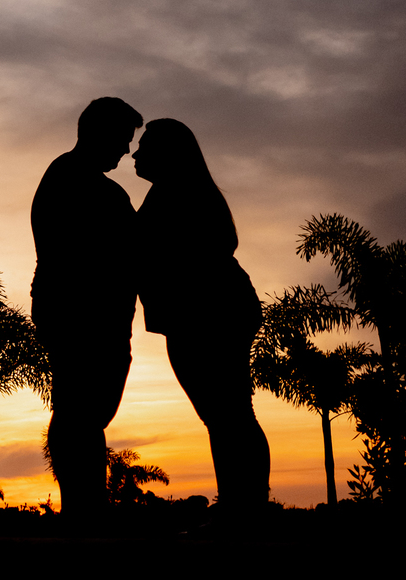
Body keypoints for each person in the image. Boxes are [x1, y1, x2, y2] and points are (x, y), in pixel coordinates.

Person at [132, 118, 270, 515]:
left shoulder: (182, 193)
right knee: (225, 414)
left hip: (211, 313)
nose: (136, 154)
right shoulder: (169, 193)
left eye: (145, 147)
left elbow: (207, 248)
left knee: (229, 414)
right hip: (201, 312)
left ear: (168, 153)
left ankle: (244, 511)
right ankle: (241, 508)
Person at [31, 97, 143, 518]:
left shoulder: (74, 179)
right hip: (85, 317)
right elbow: (126, 251)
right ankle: (85, 507)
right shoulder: (83, 185)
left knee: (80, 412)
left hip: (81, 313)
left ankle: (83, 506)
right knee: (82, 413)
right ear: (100, 134)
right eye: (122, 140)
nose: (126, 151)